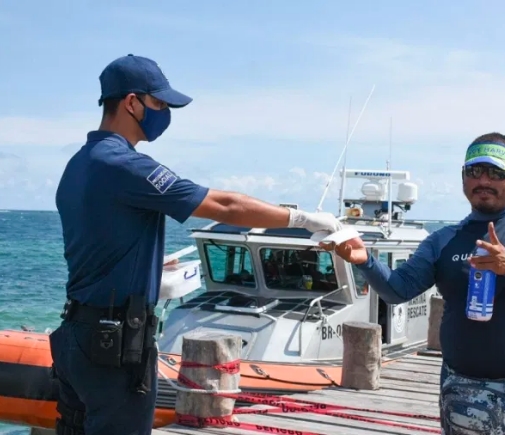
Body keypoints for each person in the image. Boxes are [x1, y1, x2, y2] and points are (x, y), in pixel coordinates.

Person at [50, 54, 342, 435]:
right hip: (113, 346)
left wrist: (151, 272)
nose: (165, 113)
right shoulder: (125, 165)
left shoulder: (78, 164)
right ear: (132, 102)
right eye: (159, 103)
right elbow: (224, 205)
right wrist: (302, 220)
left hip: (76, 335)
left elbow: (100, 243)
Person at [323, 132, 505, 435]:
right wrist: (365, 261)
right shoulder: (443, 240)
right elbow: (398, 290)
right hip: (463, 390)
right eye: (474, 171)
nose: (484, 180)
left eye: (496, 172)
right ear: (463, 178)